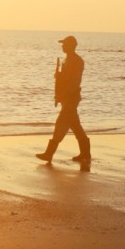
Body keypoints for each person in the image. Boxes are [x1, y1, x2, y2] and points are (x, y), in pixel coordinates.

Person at [36, 35, 90, 163]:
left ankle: (49, 154)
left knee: (61, 123)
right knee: (75, 126)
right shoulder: (67, 60)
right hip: (67, 97)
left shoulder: (77, 61)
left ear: (72, 45)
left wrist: (62, 94)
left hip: (71, 98)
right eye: (63, 44)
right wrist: (59, 76)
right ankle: (85, 153)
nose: (63, 46)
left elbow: (74, 82)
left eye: (65, 44)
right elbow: (65, 80)